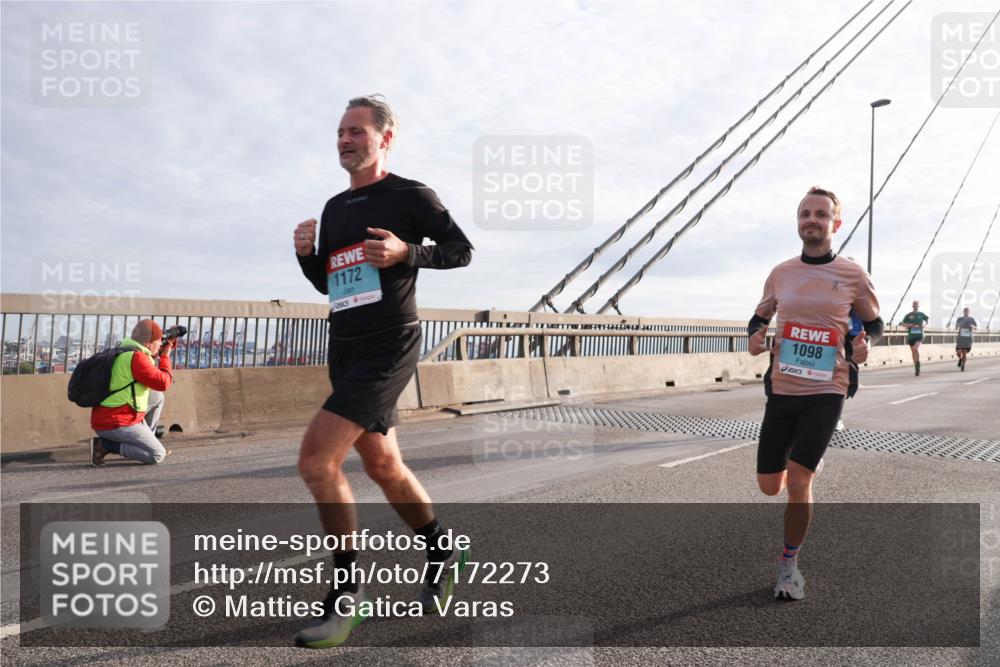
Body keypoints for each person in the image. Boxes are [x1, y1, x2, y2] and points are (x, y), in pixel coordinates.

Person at [293, 94, 473, 648]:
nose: (345, 140)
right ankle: (443, 546)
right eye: (341, 132)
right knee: (384, 464)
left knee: (317, 460)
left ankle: (346, 594)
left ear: (384, 138)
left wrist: (406, 253)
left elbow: (460, 250)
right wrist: (306, 256)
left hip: (390, 345)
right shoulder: (334, 207)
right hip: (344, 347)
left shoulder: (410, 195)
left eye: (357, 132)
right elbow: (330, 284)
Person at [747, 186, 882, 601]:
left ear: (835, 224)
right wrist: (754, 337)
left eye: (821, 214)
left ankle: (789, 567)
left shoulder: (853, 275)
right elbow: (758, 317)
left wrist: (866, 344)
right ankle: (805, 460)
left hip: (828, 388)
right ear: (798, 221)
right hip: (783, 388)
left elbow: (874, 324)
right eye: (806, 213)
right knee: (770, 485)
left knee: (799, 480)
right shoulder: (781, 273)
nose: (812, 219)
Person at [89, 319, 175, 466]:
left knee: (157, 398)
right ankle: (104, 446)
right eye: (158, 341)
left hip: (107, 415)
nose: (161, 344)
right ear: (148, 343)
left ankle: (145, 443)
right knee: (157, 455)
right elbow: (163, 382)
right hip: (116, 421)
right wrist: (165, 357)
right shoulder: (137, 358)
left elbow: (147, 368)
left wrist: (165, 346)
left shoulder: (124, 349)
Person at [900, 301, 930, 376]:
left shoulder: (921, 314)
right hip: (911, 336)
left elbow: (927, 321)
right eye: (914, 305)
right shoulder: (909, 315)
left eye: (917, 305)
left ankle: (918, 363)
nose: (915, 306)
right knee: (913, 352)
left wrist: (924, 325)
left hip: (919, 335)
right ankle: (916, 366)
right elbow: (902, 323)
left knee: (915, 348)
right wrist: (909, 325)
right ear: (912, 306)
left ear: (919, 306)